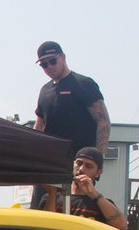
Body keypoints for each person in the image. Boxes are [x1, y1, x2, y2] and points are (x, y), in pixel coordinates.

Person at [31, 41, 111, 209]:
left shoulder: (84, 84)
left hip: (77, 165)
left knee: (72, 210)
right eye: (44, 64)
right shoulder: (44, 91)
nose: (49, 67)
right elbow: (38, 128)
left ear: (63, 57)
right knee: (42, 210)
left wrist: (97, 159)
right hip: (50, 165)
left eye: (52, 61)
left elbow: (103, 121)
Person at [42, 147, 127, 230]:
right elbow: (45, 227)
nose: (81, 169)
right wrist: (52, 193)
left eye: (89, 166)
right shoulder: (54, 197)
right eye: (79, 163)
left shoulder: (101, 204)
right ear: (73, 164)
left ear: (98, 172)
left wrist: (94, 194)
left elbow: (121, 225)